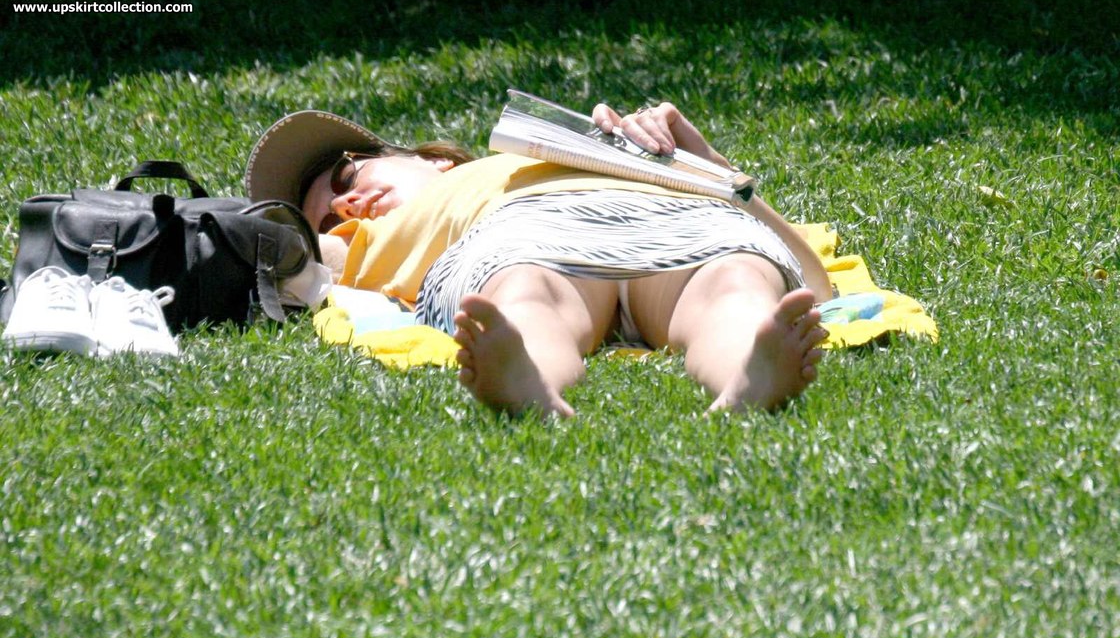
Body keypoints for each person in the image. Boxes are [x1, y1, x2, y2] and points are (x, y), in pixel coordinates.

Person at [245, 102, 830, 418]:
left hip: (672, 215)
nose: (346, 205)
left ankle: (747, 376)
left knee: (734, 281)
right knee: (524, 294)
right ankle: (530, 385)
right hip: (521, 232)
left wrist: (710, 168)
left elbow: (815, 284)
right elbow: (286, 258)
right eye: (329, 218)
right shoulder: (359, 249)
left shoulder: (522, 157)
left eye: (346, 175)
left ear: (434, 159)